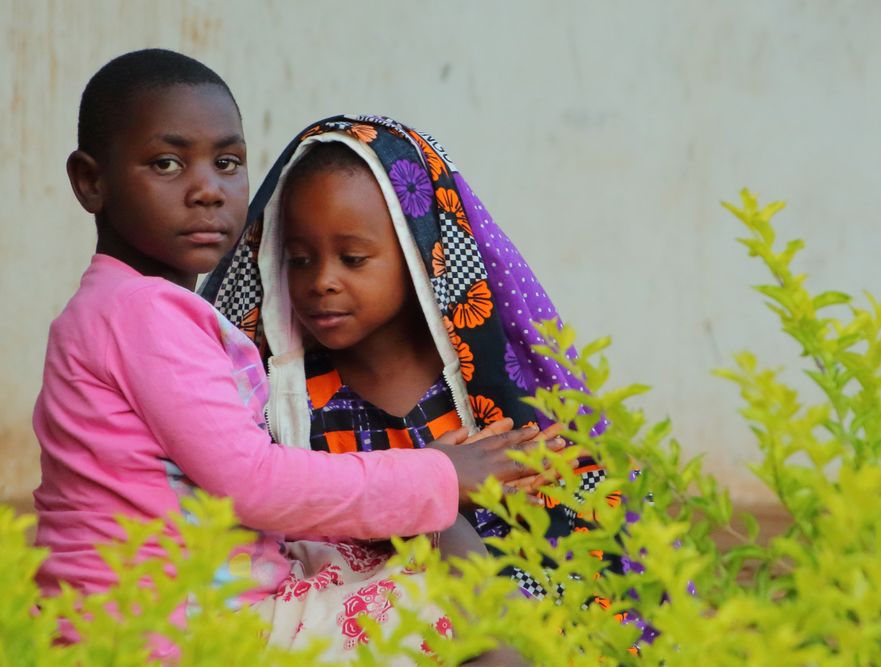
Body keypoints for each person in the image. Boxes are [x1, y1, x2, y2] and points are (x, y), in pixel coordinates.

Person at [32, 49, 552, 663]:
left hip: (171, 605)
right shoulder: (143, 313)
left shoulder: (123, 306)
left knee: (411, 549)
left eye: (227, 163)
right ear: (92, 181)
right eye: (167, 163)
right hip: (180, 631)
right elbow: (251, 483)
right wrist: (438, 474)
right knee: (480, 614)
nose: (207, 190)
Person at [201, 114, 611, 607]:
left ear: (418, 254)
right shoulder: (283, 405)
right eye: (299, 259)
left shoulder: (486, 393)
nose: (321, 281)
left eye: (353, 258)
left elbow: (573, 543)